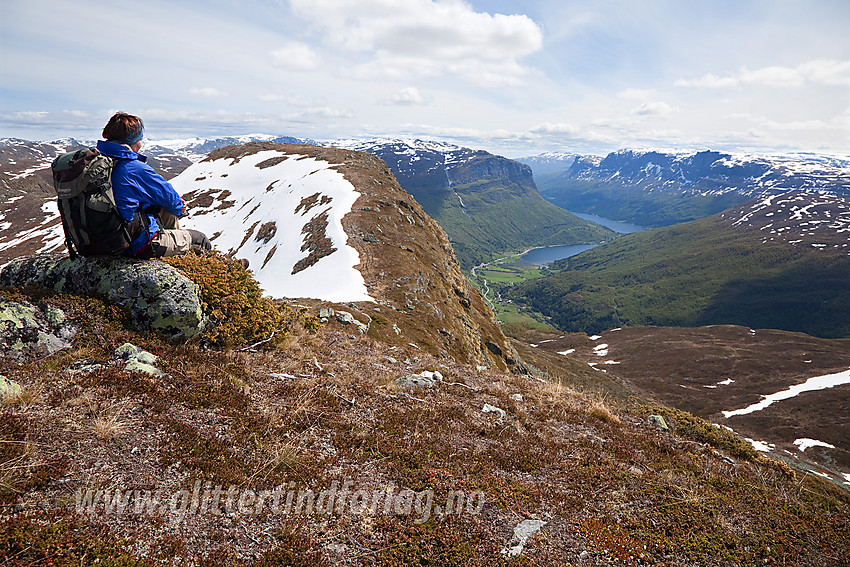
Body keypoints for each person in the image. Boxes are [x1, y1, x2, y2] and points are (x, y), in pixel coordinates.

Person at [96, 112, 212, 258]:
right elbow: (170, 198)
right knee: (200, 240)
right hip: (132, 244)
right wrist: (180, 208)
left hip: (101, 242)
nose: (141, 144)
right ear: (131, 140)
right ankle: (222, 271)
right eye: (140, 139)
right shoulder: (133, 168)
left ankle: (175, 254)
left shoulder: (99, 163)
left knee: (164, 210)